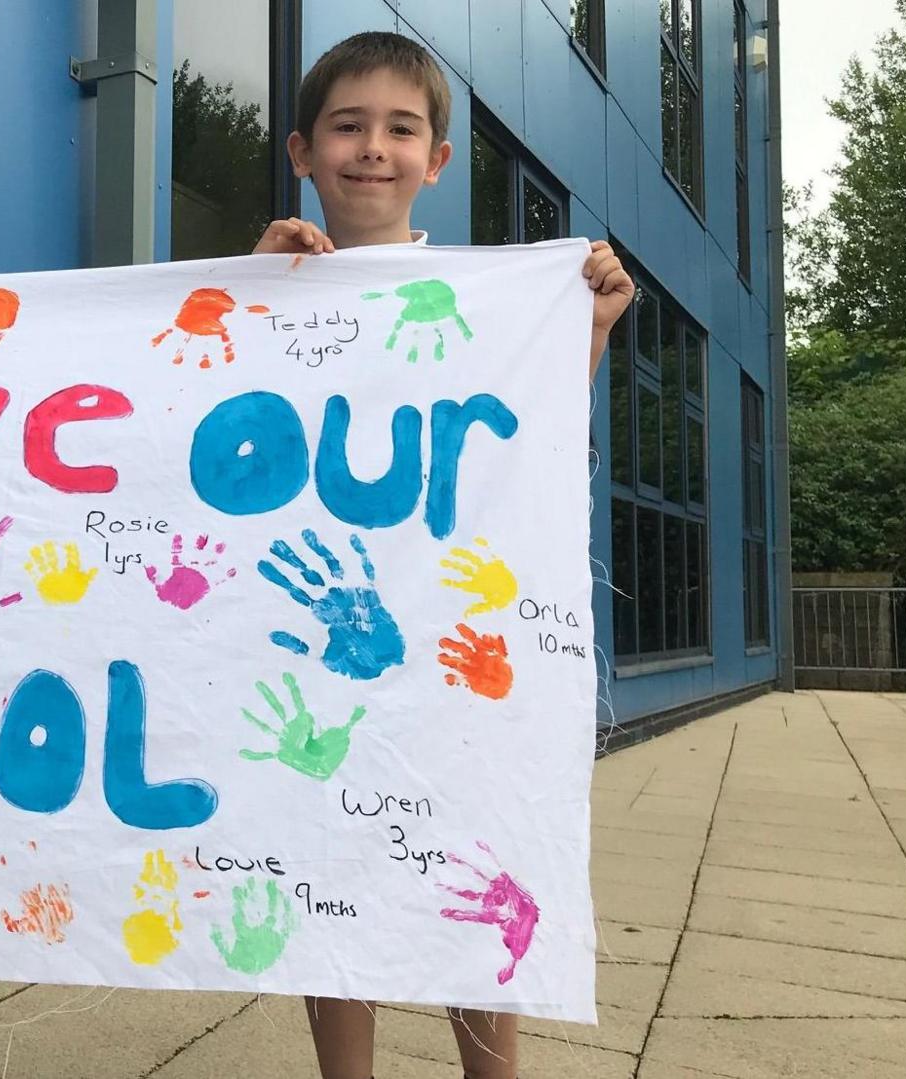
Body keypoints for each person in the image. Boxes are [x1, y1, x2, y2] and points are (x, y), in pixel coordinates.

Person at [246, 31, 633, 1079]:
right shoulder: (266, 281)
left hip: (453, 636)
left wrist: (587, 325)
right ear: (302, 149)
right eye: (348, 126)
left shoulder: (483, 299)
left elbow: (526, 437)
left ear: (439, 160)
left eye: (401, 128)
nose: (374, 147)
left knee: (474, 851)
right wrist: (246, 289)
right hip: (320, 636)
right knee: (330, 859)